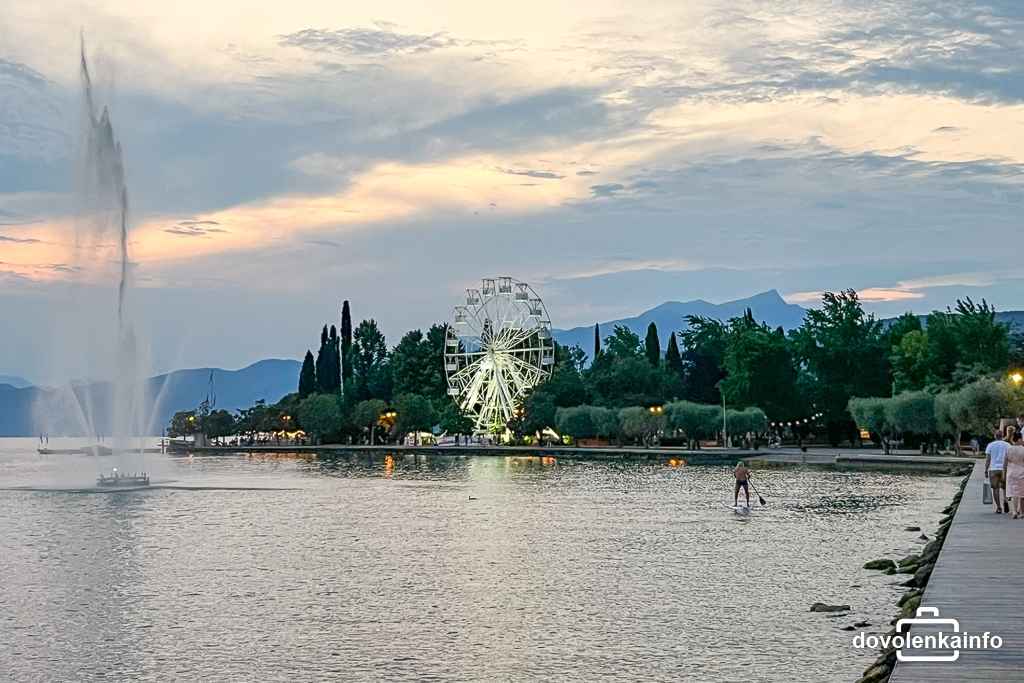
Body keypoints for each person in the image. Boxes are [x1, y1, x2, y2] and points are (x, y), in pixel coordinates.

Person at [985, 427, 1011, 514]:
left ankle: (999, 507)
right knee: (1005, 487)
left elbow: (988, 459)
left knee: (995, 489)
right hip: (1005, 468)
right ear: (1002, 436)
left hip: (993, 469)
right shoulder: (1007, 445)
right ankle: (1005, 501)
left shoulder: (990, 445)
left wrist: (985, 470)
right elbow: (1010, 457)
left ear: (995, 436)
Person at [1006, 434, 1024, 519]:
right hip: (1021, 472)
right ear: (1019, 439)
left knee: (1013, 493)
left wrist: (1003, 473)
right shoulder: (1023, 449)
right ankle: (1021, 511)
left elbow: (1005, 462)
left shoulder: (1009, 449)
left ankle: (1014, 511)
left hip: (1011, 472)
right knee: (1021, 493)